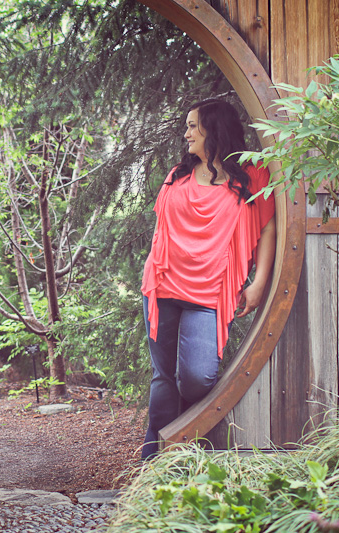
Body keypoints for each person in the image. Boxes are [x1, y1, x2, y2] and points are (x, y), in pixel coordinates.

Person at [140, 98, 276, 459]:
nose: (185, 133)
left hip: (210, 292)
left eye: (192, 126)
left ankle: (182, 443)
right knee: (163, 377)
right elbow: (161, 231)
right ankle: (154, 463)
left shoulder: (251, 178)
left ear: (213, 130)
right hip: (164, 285)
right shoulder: (178, 174)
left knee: (198, 378)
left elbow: (267, 227)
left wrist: (259, 281)